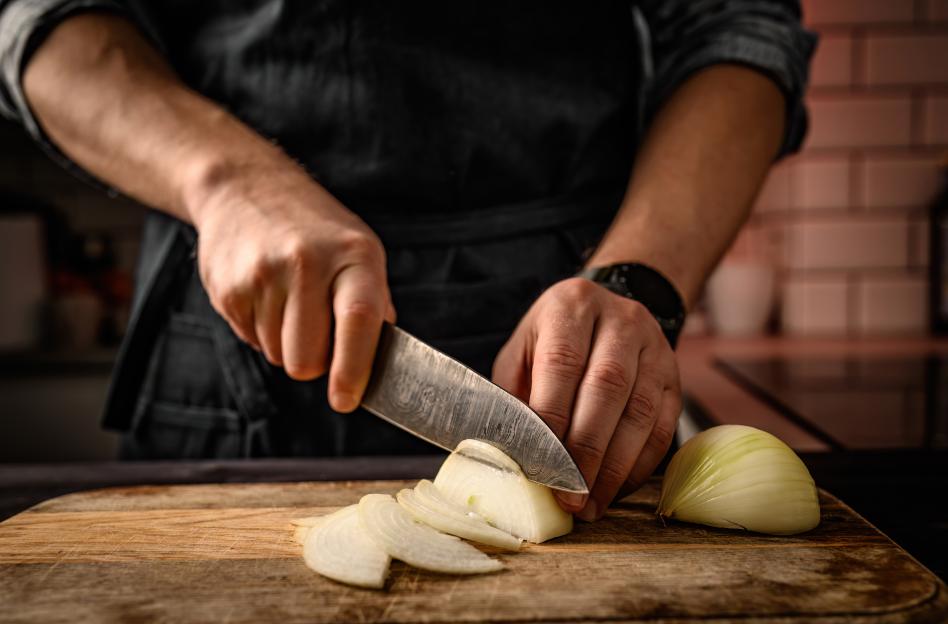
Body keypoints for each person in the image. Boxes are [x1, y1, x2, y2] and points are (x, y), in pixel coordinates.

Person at [0, 1, 814, 521]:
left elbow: (735, 21)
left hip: (567, 341)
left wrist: (635, 277)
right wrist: (225, 179)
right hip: (225, 342)